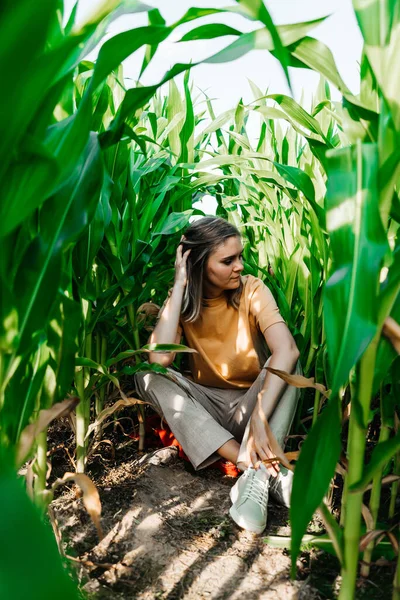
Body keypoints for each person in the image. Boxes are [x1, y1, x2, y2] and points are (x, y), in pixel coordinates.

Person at [135, 216, 301, 534]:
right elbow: (160, 359)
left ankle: (257, 471)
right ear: (199, 264)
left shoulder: (252, 289)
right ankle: (255, 467)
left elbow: (287, 350)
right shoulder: (182, 301)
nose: (239, 265)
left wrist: (259, 419)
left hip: (255, 403)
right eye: (228, 260)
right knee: (147, 374)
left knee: (291, 365)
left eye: (239, 256)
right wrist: (180, 285)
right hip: (206, 408)